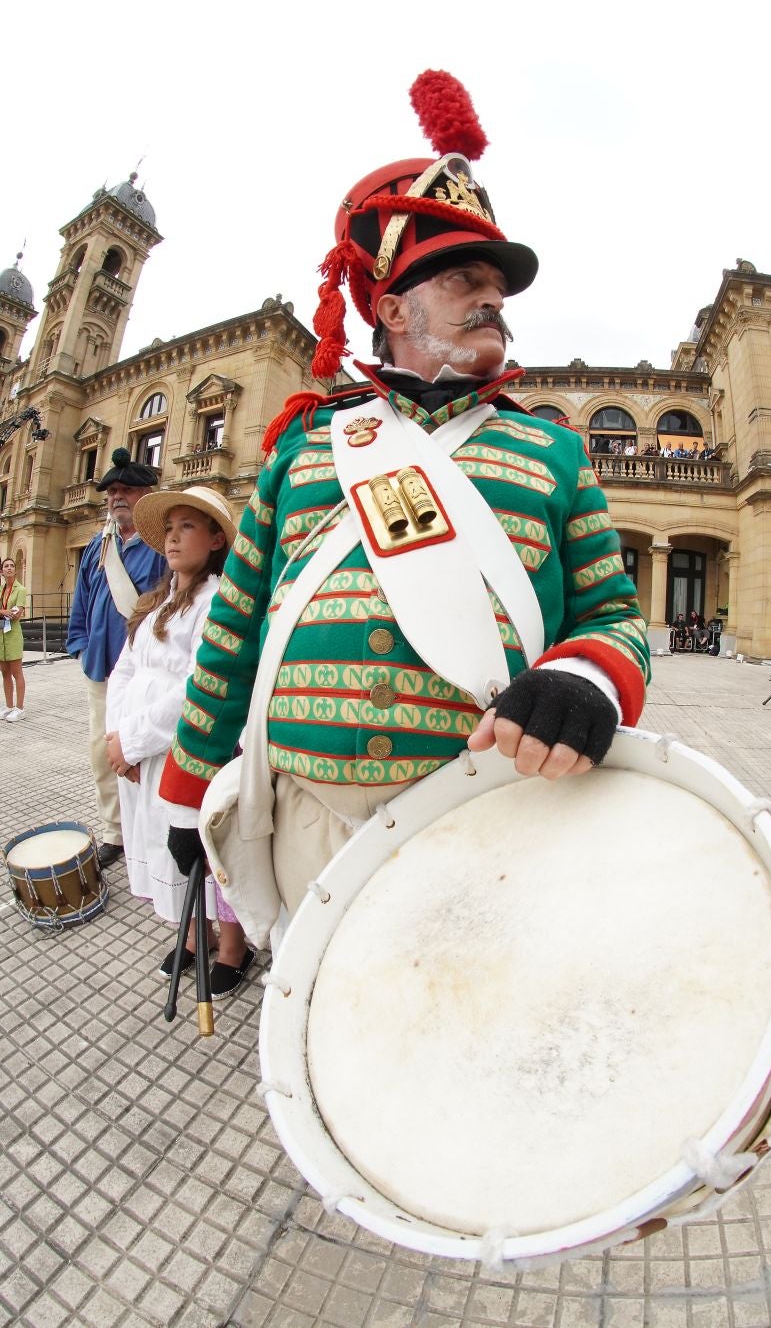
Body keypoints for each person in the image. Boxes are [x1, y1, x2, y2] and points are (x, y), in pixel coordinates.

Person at [158, 70, 651, 930]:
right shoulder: (305, 448)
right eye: (462, 279)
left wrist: (582, 679)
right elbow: (233, 636)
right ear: (391, 307)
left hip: (481, 814)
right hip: (304, 823)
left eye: (494, 284)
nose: (492, 296)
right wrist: (189, 788)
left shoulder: (556, 453)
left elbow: (614, 613)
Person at [105, 486, 253, 996]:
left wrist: (135, 737)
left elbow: (201, 686)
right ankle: (194, 936)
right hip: (143, 753)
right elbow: (124, 669)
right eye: (168, 528)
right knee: (166, 844)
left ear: (215, 540)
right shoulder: (156, 603)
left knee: (210, 845)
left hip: (189, 748)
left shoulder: (218, 603)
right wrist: (116, 736)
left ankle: (233, 947)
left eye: (186, 526)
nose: (172, 537)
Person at [67, 448, 167, 869]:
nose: (115, 498)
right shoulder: (97, 547)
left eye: (125, 490)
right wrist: (82, 646)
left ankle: (154, 829)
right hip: (102, 671)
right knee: (102, 753)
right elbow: (82, 602)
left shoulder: (163, 543)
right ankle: (115, 832)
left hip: (148, 672)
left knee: (144, 752)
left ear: (146, 494)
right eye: (111, 492)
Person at [0, 557, 27, 722]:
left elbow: (16, 614)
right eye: (6, 566)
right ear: (2, 571)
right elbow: (8, 613)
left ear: (15, 570)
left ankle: (20, 708)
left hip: (13, 635)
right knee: (4, 672)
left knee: (17, 672)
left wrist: (5, 612)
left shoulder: (20, 589)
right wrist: (4, 612)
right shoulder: (1, 588)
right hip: (1, 636)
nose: (9, 568)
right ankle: (9, 706)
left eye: (11, 566)